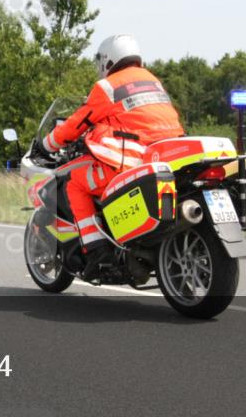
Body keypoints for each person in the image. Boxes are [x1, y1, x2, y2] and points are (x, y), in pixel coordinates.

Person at [34, 34, 185, 279]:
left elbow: (77, 123)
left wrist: (47, 145)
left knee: (75, 183)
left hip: (128, 161)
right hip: (164, 156)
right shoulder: (153, 81)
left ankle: (96, 250)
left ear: (108, 60)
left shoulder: (108, 87)